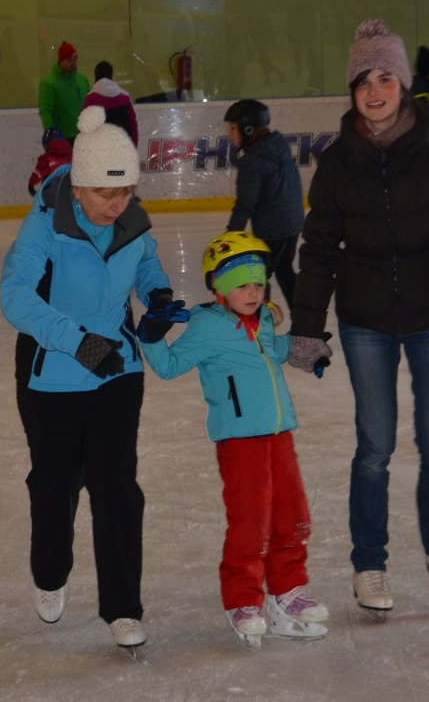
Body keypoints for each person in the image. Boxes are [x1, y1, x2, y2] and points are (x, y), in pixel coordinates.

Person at [289, 19, 429, 621]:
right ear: (351, 91)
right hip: (366, 319)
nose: (374, 91)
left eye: (384, 77)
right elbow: (318, 250)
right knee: (374, 447)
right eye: (362, 81)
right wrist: (307, 326)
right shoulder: (339, 163)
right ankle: (369, 562)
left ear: (403, 83)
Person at [0, 105, 181, 653]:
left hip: (116, 372)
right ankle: (50, 573)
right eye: (106, 195)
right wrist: (78, 342)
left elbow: (145, 260)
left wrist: (158, 296)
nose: (117, 205)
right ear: (78, 188)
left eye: (126, 193)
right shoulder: (44, 227)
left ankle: (123, 607)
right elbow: (15, 297)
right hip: (51, 377)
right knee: (55, 486)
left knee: (117, 488)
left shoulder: (128, 215)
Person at [139, 231, 328, 650]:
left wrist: (306, 352)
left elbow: (273, 351)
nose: (253, 292)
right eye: (243, 284)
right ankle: (243, 601)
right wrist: (151, 337)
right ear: (219, 287)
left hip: (280, 437)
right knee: (251, 523)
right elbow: (169, 367)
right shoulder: (208, 325)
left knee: (292, 514)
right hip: (241, 443)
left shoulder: (261, 322)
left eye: (259, 283)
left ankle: (287, 593)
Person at [223, 99, 304, 310]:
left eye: (233, 128)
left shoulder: (252, 161)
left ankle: (259, 324)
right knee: (285, 269)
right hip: (293, 223)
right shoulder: (277, 147)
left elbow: (245, 203)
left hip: (273, 228)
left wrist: (231, 235)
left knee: (258, 277)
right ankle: (304, 323)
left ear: (248, 129)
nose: (230, 134)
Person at [38, 42, 90, 147]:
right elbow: (45, 110)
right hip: (61, 137)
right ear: (61, 61)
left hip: (82, 135)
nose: (73, 63)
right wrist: (50, 133)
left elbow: (89, 106)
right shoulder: (49, 83)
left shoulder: (83, 80)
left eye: (75, 60)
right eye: (69, 60)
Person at [82, 61, 138, 145]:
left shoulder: (91, 99)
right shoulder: (125, 97)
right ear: (111, 75)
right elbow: (133, 124)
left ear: (95, 76)